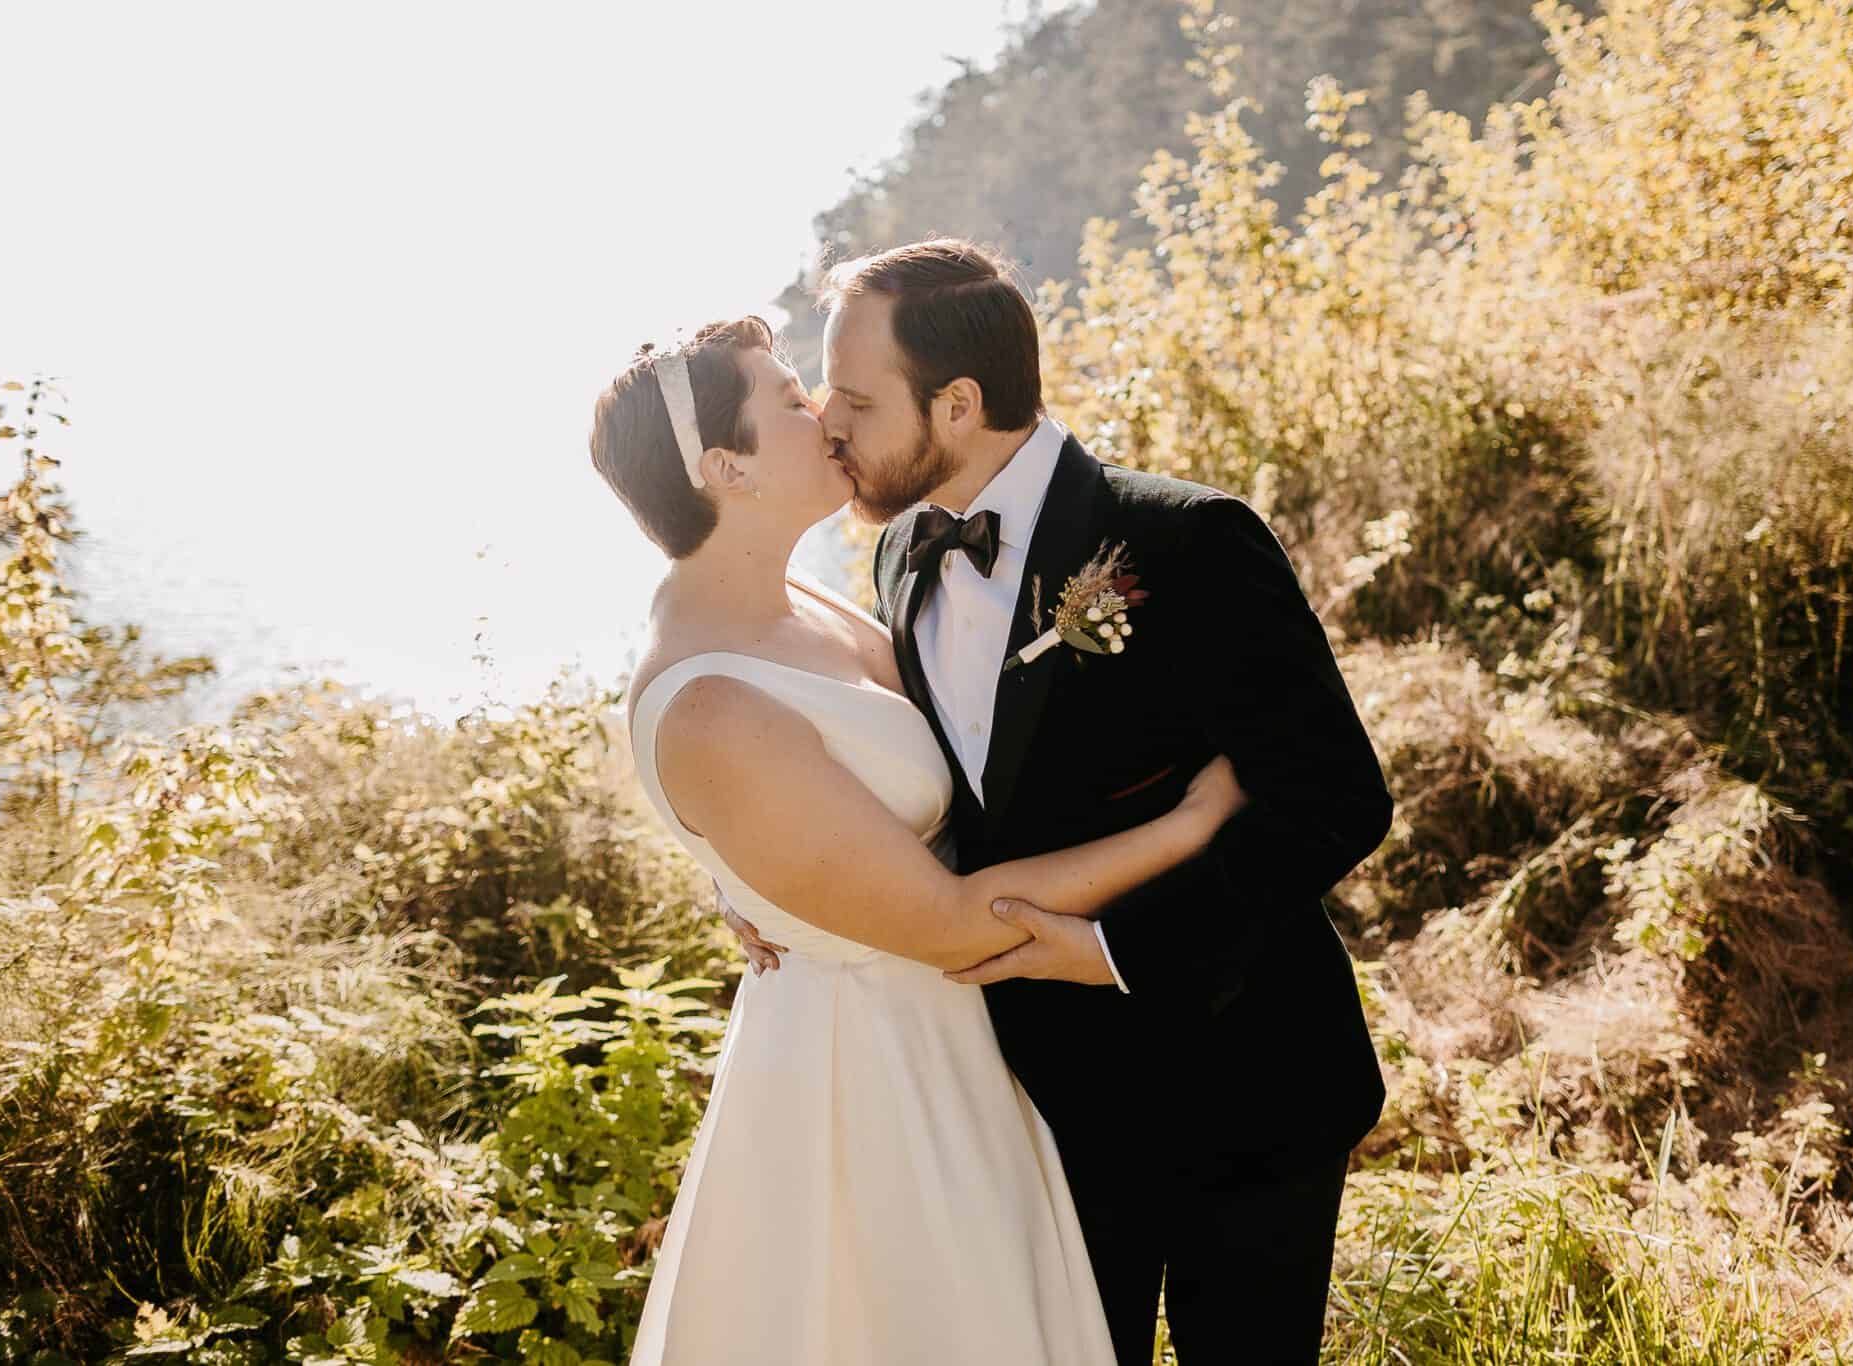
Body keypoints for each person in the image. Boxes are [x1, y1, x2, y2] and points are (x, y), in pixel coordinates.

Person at [724, 238, 1395, 1365]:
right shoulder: (898, 561)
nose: (828, 422)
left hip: (1246, 1076)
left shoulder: (1186, 541)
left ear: (956, 402)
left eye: (852, 394)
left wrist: (1116, 948)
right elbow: (926, 796)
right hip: (1040, 1104)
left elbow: (1334, 799)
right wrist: (769, 888)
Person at [590, 313, 1251, 1365]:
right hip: (875, 1084)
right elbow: (946, 924)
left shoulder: (799, 598)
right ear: (726, 467)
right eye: (790, 399)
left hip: (958, 1044)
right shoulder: (712, 704)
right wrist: (1194, 822)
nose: (824, 416)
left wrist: (758, 883)